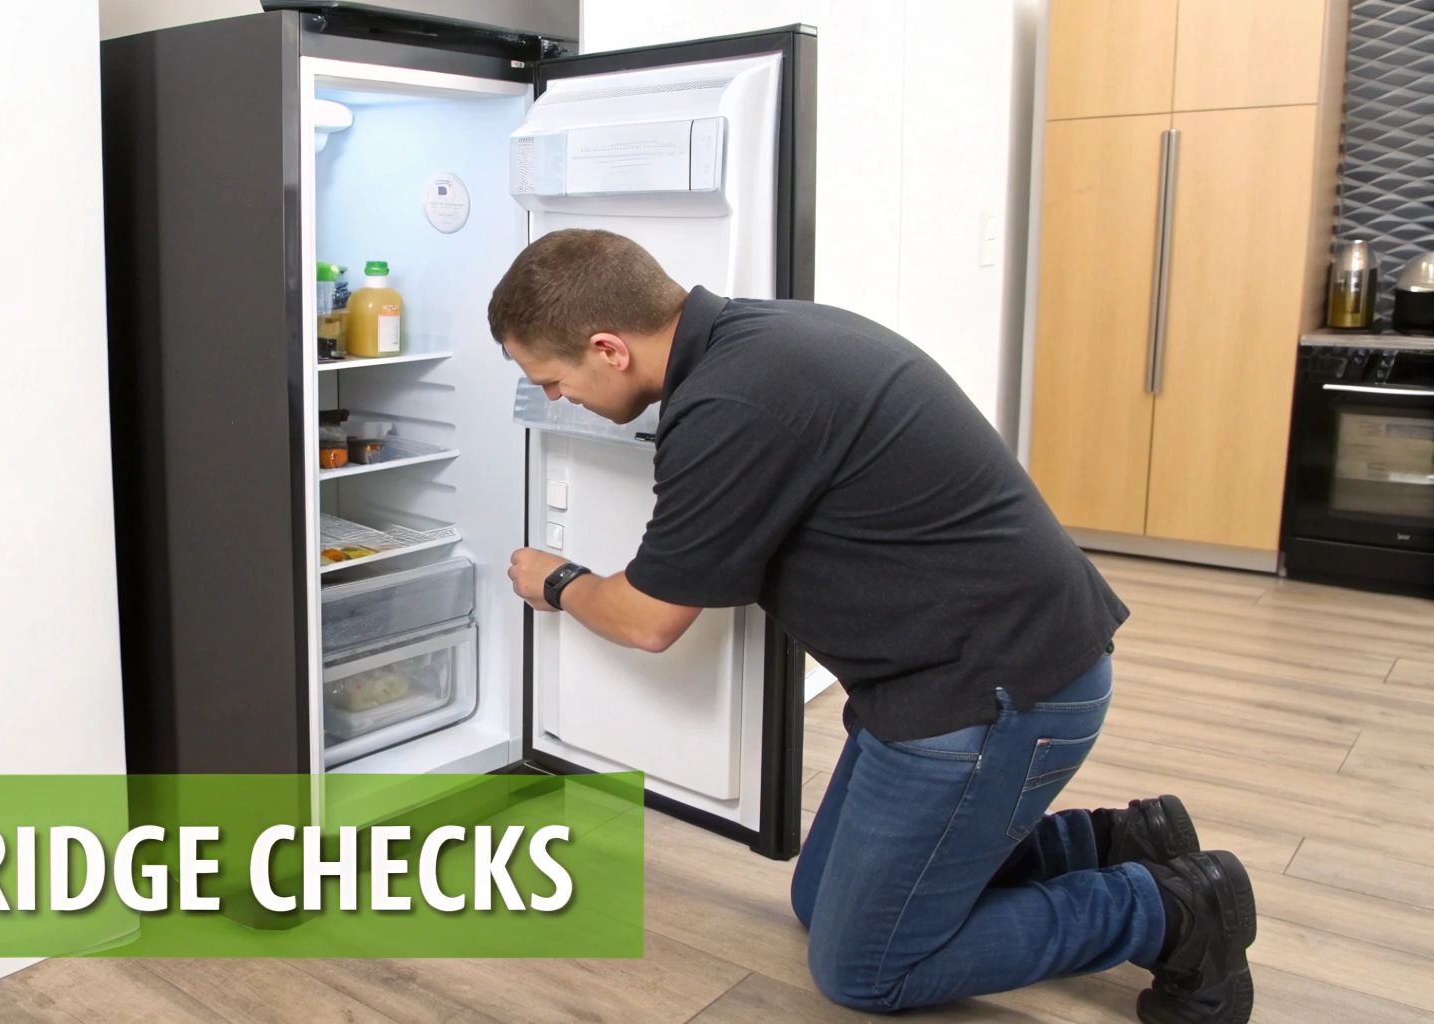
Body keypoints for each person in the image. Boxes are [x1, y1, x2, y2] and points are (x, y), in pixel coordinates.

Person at [490, 228, 1257, 1024]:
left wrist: (560, 580)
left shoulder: (728, 404)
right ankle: (1116, 842)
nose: (552, 398)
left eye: (550, 379)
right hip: (954, 673)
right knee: (820, 899)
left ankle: (1174, 910)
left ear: (609, 348)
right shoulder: (762, 337)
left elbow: (649, 621)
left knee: (868, 966)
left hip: (995, 694)